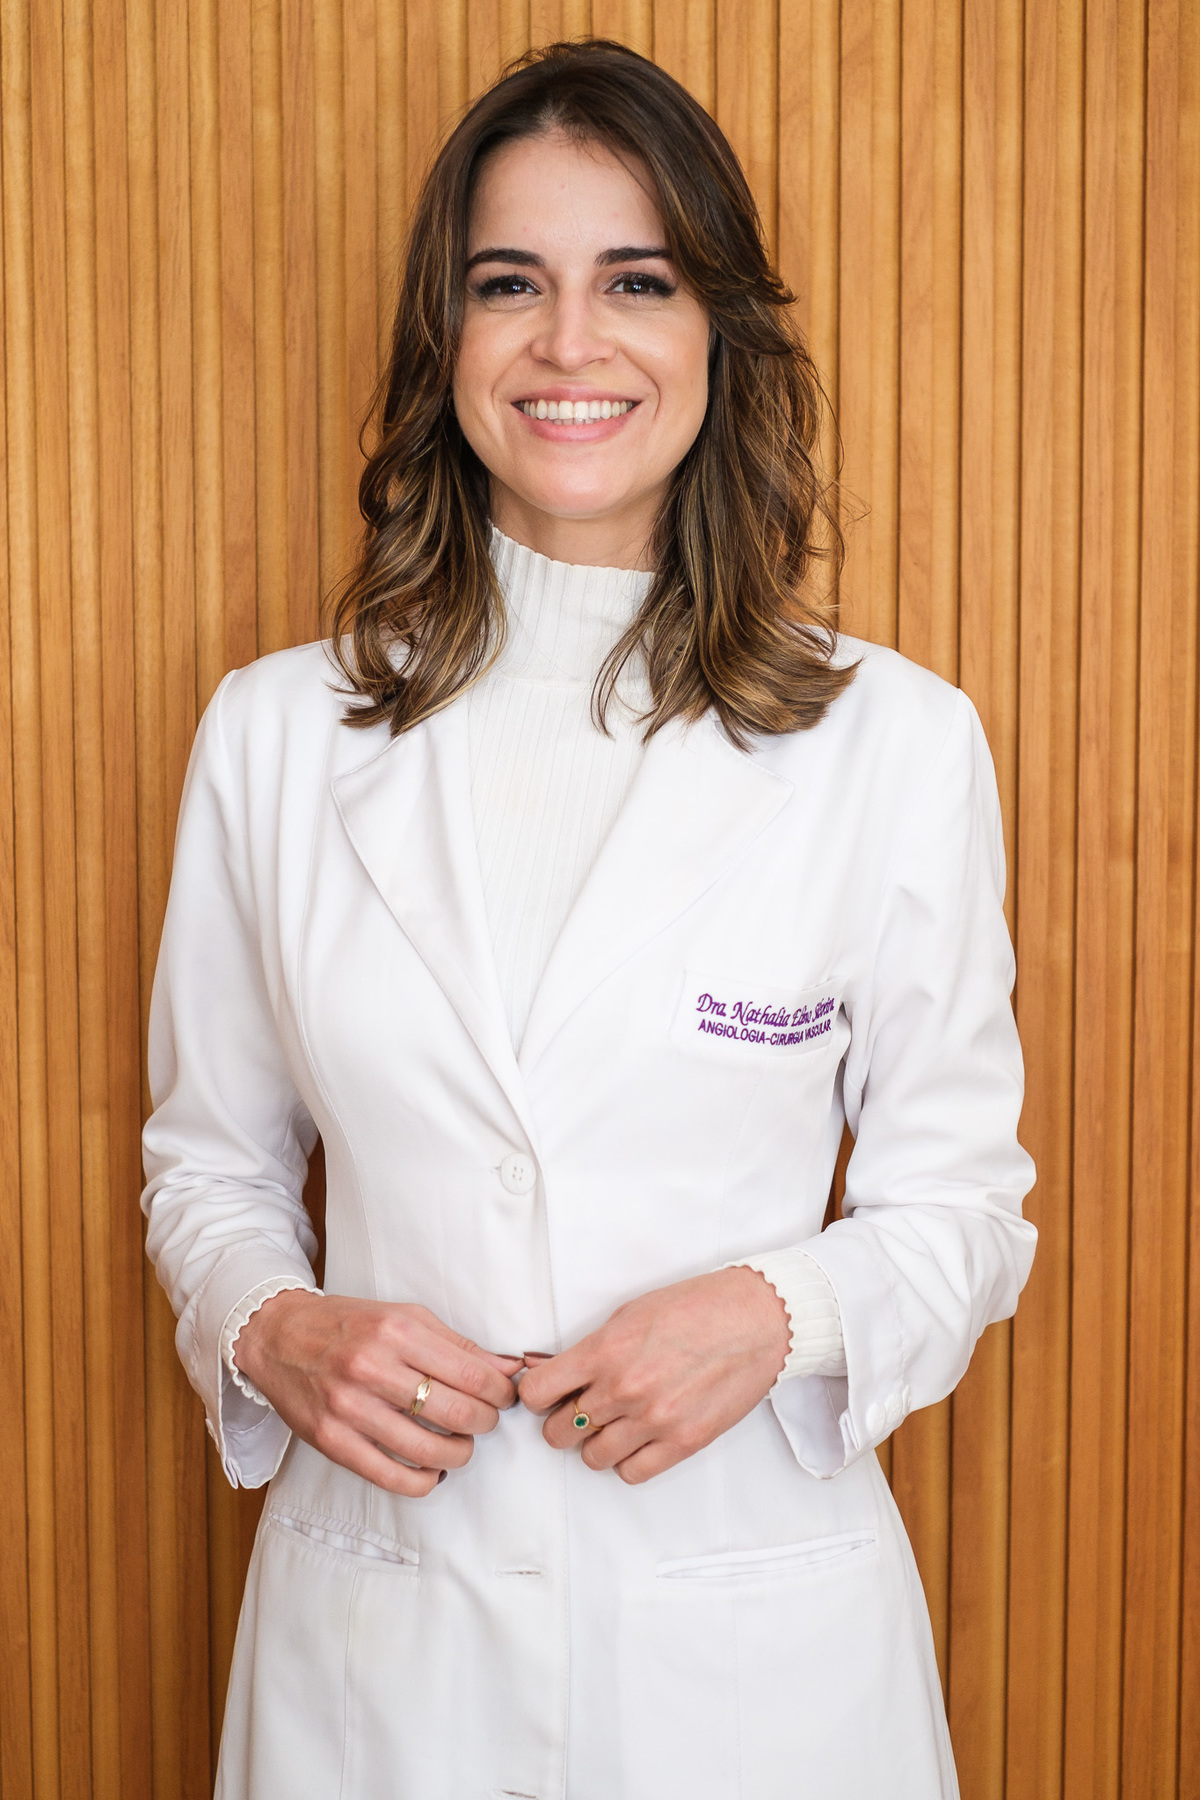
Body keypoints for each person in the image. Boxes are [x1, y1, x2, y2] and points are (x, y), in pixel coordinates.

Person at [142, 38, 1036, 1800]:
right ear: (446, 339)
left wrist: (780, 1312)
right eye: (509, 285)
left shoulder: (895, 745)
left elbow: (965, 1210)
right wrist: (270, 1325)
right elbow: (208, 1170)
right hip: (381, 1656)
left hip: (755, 1664)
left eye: (637, 280)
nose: (570, 342)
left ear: (718, 336)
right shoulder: (273, 736)